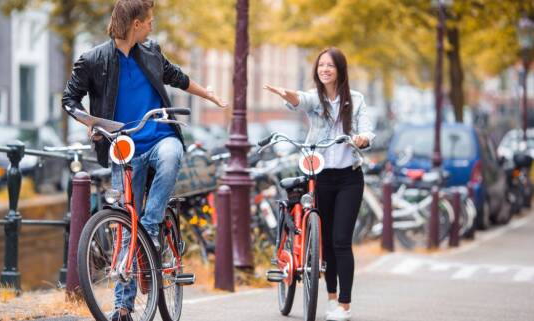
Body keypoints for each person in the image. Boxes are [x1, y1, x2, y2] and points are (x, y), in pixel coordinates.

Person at [62, 1, 226, 320]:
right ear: (136, 24)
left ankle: (150, 230)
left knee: (172, 154)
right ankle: (123, 307)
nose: (152, 26)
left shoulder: (151, 52)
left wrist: (210, 95)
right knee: (126, 226)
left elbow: (178, 78)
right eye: (149, 21)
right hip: (124, 149)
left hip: (159, 136)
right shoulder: (93, 60)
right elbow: (69, 101)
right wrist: (94, 124)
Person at [264, 47, 374, 321]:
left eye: (330, 65)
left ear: (340, 70)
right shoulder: (316, 98)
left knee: (341, 241)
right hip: (321, 177)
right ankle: (332, 298)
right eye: (321, 65)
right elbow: (299, 99)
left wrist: (362, 138)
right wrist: (284, 93)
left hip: (350, 177)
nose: (325, 69)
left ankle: (345, 305)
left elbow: (367, 128)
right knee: (324, 240)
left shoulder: (356, 100)